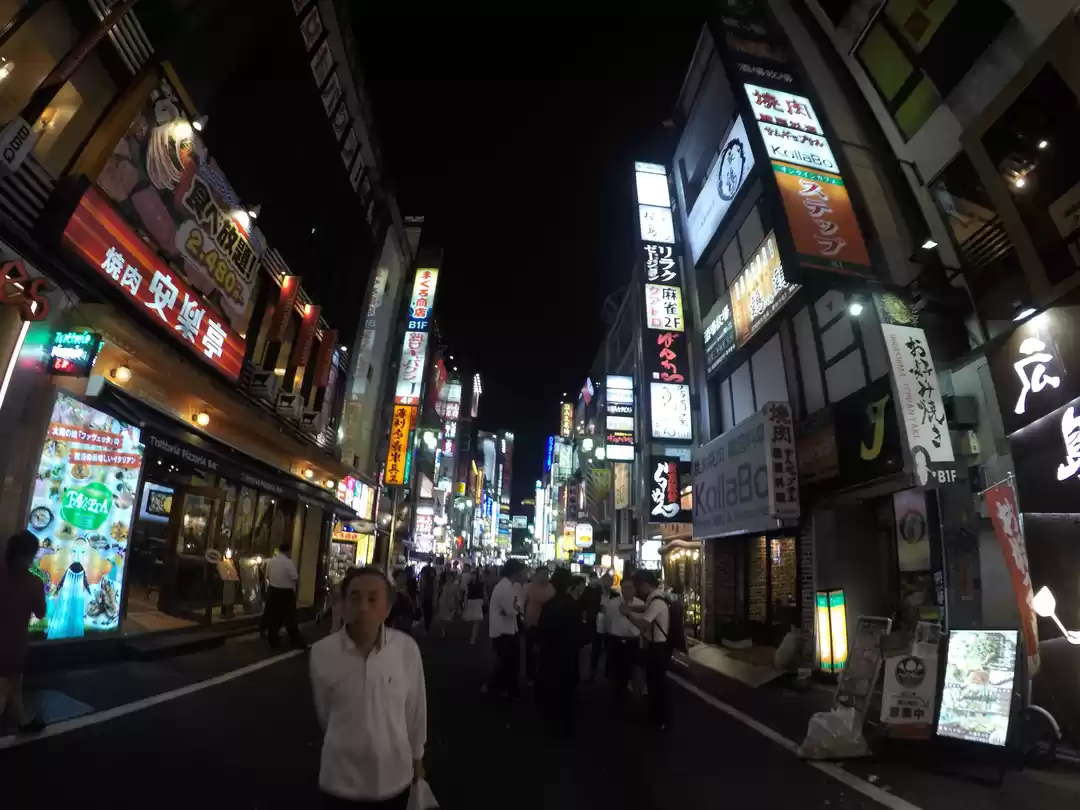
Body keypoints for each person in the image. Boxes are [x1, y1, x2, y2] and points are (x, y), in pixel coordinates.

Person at [310, 566, 426, 808]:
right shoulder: (322, 652)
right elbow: (325, 713)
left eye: (373, 599)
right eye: (355, 598)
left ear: (387, 608)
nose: (363, 607)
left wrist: (417, 757)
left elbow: (415, 710)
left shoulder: (406, 649)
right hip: (339, 779)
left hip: (395, 777)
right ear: (343, 603)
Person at [0, 531, 47, 733]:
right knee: (13, 683)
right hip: (14, 644)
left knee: (11, 686)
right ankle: (22, 721)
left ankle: (22, 721)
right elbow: (40, 612)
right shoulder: (34, 582)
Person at [537, 568, 585, 734]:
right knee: (567, 690)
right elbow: (580, 632)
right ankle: (567, 723)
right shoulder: (573, 605)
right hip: (569, 653)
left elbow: (542, 629)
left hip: (550, 653)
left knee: (551, 686)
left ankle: (551, 720)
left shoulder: (550, 605)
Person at [621, 570, 671, 729]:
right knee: (653, 683)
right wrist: (632, 609)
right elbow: (645, 609)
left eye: (637, 586)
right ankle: (655, 717)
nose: (637, 590)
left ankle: (660, 720)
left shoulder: (656, 601)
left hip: (658, 648)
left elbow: (643, 624)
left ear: (645, 585)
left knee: (657, 685)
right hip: (655, 647)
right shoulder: (654, 598)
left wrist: (628, 615)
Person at [486, 559, 527, 699]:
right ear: (515, 572)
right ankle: (492, 687)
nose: (526, 574)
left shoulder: (512, 586)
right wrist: (516, 609)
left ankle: (508, 689)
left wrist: (516, 609)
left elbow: (517, 606)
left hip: (510, 629)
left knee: (511, 662)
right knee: (507, 662)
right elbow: (512, 610)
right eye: (523, 571)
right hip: (502, 631)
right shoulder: (504, 587)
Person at [604, 577, 643, 706]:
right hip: (616, 641)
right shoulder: (613, 603)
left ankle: (631, 696)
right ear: (621, 589)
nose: (628, 590)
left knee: (632, 670)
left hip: (633, 642)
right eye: (625, 588)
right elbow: (607, 621)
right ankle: (617, 697)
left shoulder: (640, 604)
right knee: (616, 672)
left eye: (630, 588)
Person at [263, 541, 305, 648]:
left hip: (273, 591)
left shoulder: (271, 561)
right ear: (288, 551)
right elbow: (295, 577)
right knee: (290, 618)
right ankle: (296, 641)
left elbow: (267, 575)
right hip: (286, 593)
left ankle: (272, 639)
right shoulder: (288, 562)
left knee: (274, 616)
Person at [523, 567, 554, 684]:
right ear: (536, 575)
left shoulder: (550, 587)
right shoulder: (528, 587)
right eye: (543, 574)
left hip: (545, 624)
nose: (545, 577)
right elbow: (523, 603)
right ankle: (530, 676)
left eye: (547, 574)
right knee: (531, 651)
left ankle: (542, 674)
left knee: (544, 651)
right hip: (531, 623)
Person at [461, 565, 486, 644]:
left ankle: (473, 637)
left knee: (476, 620)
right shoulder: (468, 583)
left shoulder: (480, 584)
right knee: (471, 619)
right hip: (471, 602)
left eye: (474, 574)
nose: (473, 576)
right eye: (472, 574)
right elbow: (466, 594)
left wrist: (486, 601)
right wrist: (465, 602)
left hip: (478, 601)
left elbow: (484, 593)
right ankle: (474, 634)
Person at [387, 569, 415, 634]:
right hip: (395, 625)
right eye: (402, 577)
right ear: (396, 578)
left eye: (405, 577)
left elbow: (412, 607)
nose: (404, 579)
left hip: (406, 625)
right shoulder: (392, 591)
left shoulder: (407, 590)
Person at [434, 569, 459, 638]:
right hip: (443, 601)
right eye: (448, 577)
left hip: (450, 602)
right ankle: (443, 631)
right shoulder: (443, 585)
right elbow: (439, 593)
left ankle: (444, 630)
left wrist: (457, 604)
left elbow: (457, 595)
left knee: (448, 618)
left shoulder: (455, 586)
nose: (449, 578)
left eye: (450, 577)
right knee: (441, 617)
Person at [418, 566, 437, 635]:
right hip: (425, 598)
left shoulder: (432, 580)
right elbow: (421, 589)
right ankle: (427, 627)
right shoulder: (423, 580)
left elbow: (435, 589)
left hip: (429, 598)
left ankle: (427, 627)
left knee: (428, 613)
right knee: (427, 613)